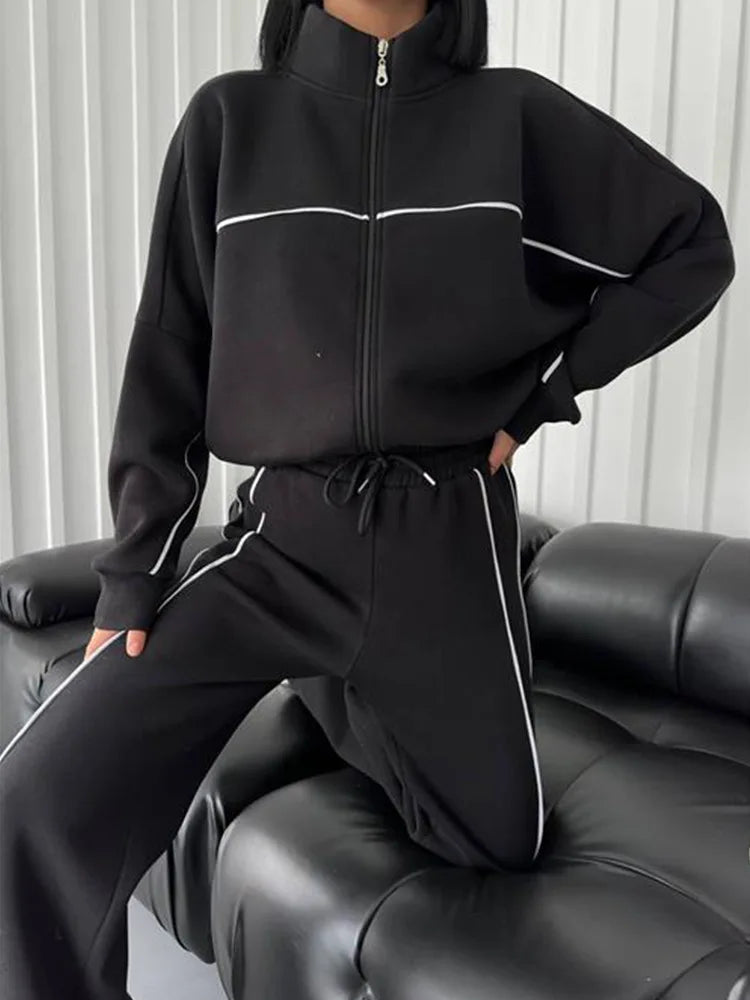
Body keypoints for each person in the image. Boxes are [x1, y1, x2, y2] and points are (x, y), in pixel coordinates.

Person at [0, 0, 735, 997]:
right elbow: (169, 359)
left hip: (446, 545)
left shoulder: (513, 120)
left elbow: (694, 242)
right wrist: (131, 580)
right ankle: (327, 667)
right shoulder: (230, 121)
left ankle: (341, 685)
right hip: (283, 549)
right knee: (35, 794)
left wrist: (541, 395)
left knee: (498, 838)